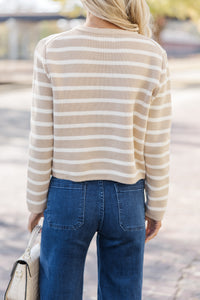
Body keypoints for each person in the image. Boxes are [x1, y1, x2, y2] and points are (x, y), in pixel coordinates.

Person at [26, 0, 172, 299]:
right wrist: (156, 206)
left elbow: (42, 135)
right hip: (128, 198)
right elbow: (156, 142)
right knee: (123, 292)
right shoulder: (152, 54)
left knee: (57, 293)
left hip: (66, 194)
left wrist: (36, 201)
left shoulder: (52, 48)